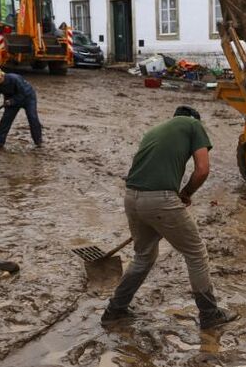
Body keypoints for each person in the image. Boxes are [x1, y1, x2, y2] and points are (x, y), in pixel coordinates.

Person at [101, 106, 236, 329]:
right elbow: (202, 170)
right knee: (196, 252)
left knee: (143, 256)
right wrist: (186, 193)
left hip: (132, 197)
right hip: (160, 199)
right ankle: (210, 314)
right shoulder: (193, 124)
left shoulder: (155, 131)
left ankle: (114, 310)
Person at [0, 68, 43, 148]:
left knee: (32, 117)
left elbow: (23, 93)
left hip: (28, 97)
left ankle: (38, 140)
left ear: (1, 76)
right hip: (11, 100)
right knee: (6, 119)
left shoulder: (14, 78)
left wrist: (12, 101)